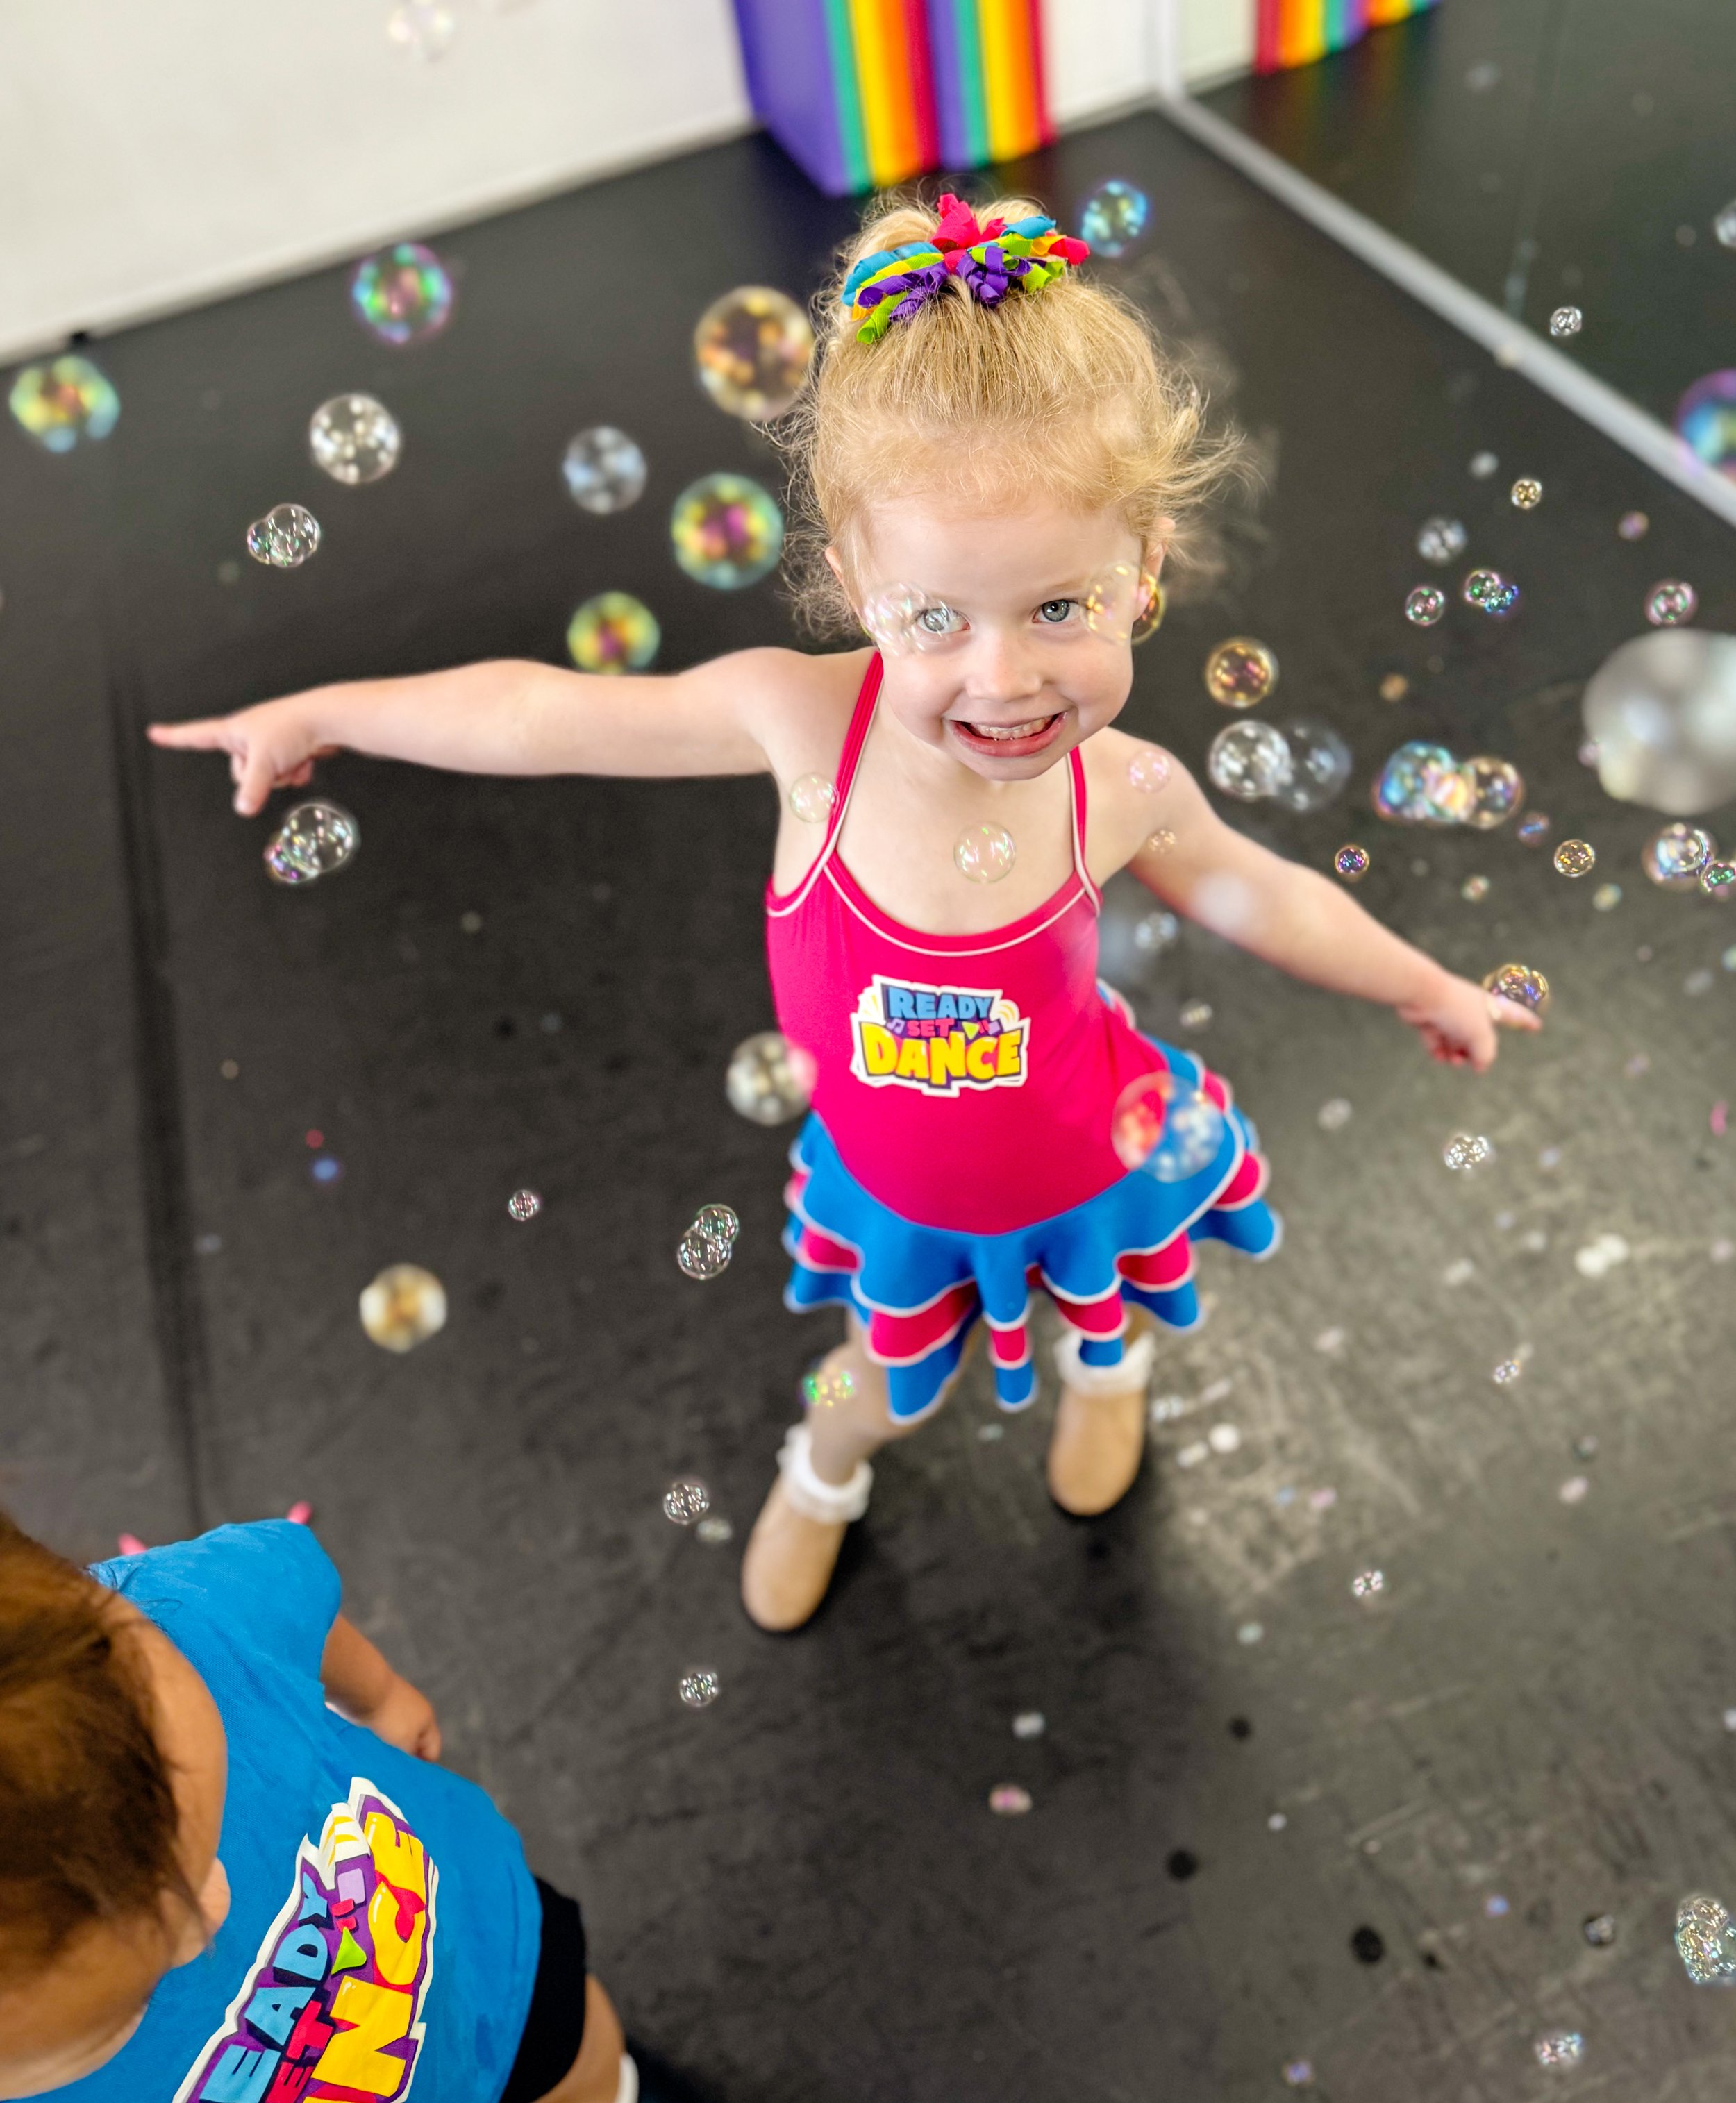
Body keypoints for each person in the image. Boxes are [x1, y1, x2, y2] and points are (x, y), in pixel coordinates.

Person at [149, 190, 1537, 1636]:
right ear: (857, 587)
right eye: (936, 617)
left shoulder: (1123, 788)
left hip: (1080, 1150)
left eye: (1059, 606)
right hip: (903, 1185)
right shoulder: (801, 726)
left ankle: (1104, 1369)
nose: (1001, 678)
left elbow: (1269, 894)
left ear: (1145, 572)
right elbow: (537, 711)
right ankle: (820, 1472)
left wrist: (1420, 982)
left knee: (1099, 1288)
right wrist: (321, 710)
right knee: (875, 1375)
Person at [0, 1509, 635, 2102]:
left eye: (190, 1855)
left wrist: (379, 1694)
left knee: (580, 2058)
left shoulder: (187, 1606)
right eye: (125, 2004)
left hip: (486, 1951)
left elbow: (288, 1589)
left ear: (115, 1612)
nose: (209, 1914)